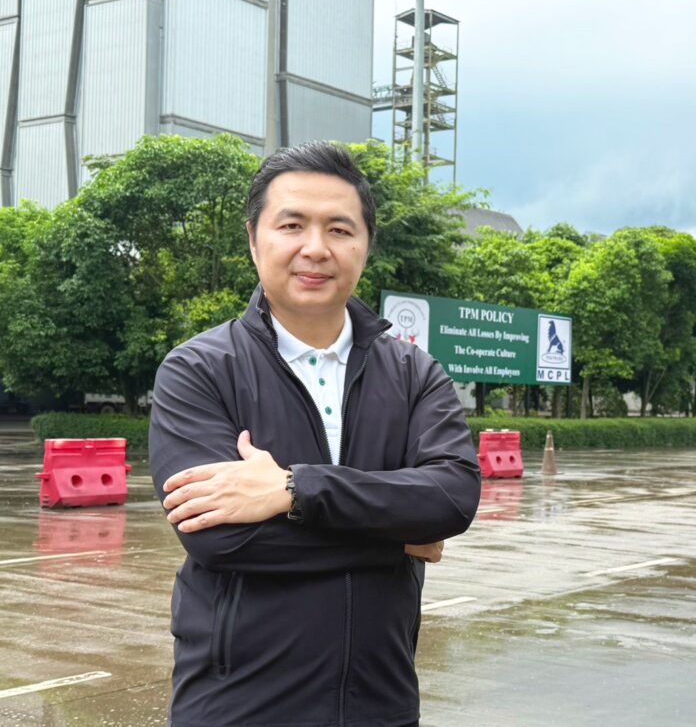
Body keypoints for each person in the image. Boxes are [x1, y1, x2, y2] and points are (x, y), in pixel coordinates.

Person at [149, 142, 481, 727]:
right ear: (254, 239)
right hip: (237, 709)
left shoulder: (414, 373)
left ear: (365, 245)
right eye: (292, 225)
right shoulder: (198, 370)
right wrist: (396, 536)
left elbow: (451, 498)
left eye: (340, 229)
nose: (316, 248)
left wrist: (295, 490)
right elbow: (219, 539)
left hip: (381, 704)